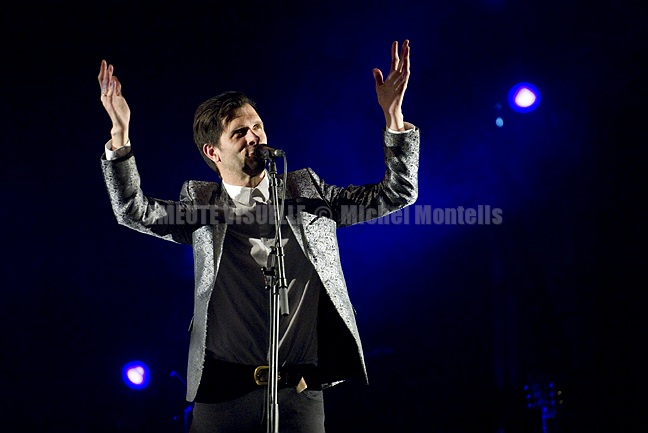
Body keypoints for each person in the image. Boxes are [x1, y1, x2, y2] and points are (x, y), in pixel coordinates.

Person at [98, 39, 419, 433]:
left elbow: (396, 193)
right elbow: (133, 210)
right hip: (223, 395)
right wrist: (120, 137)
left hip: (299, 392)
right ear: (213, 152)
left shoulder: (308, 193)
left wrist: (393, 117)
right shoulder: (202, 205)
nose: (253, 137)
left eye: (257, 127)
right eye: (239, 132)